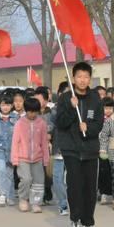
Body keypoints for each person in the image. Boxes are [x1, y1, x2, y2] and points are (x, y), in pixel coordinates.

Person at [56, 62, 104, 227]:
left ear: (89, 78)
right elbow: (60, 123)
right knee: (75, 186)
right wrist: (70, 106)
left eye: (86, 77)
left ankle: (88, 222)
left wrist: (88, 128)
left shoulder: (95, 98)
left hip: (90, 149)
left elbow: (99, 123)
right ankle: (75, 220)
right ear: (73, 78)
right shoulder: (65, 98)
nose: (82, 80)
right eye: (79, 77)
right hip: (72, 149)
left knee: (90, 188)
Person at [11, 97, 50, 213]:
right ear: (26, 110)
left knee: (39, 181)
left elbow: (44, 142)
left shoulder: (41, 123)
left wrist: (46, 158)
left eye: (35, 112)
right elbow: (15, 142)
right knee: (26, 179)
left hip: (37, 158)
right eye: (30, 111)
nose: (32, 114)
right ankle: (23, 199)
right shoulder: (19, 123)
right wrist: (15, 159)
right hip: (23, 158)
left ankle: (36, 202)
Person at [48, 80, 70, 216]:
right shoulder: (54, 111)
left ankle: (73, 201)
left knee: (72, 178)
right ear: (60, 93)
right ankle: (63, 203)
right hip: (59, 148)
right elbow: (50, 126)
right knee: (57, 177)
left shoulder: (79, 110)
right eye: (65, 93)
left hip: (74, 148)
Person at [97, 97, 114, 205]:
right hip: (102, 150)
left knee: (111, 171)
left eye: (110, 108)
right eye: (105, 108)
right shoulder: (99, 120)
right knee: (103, 171)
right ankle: (103, 192)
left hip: (113, 149)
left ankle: (110, 193)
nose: (108, 110)